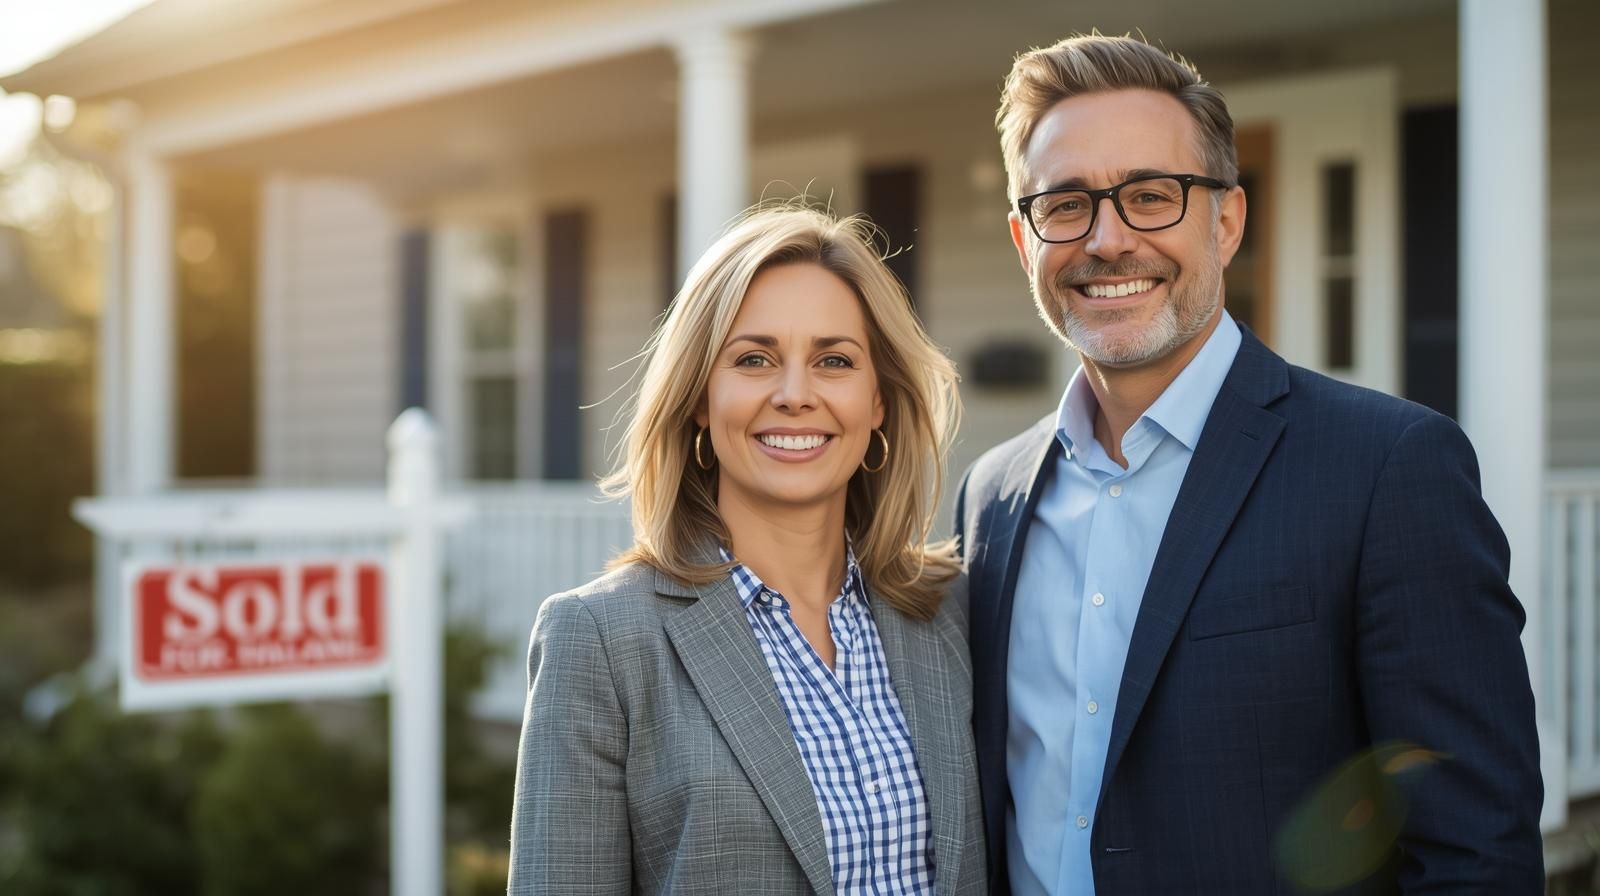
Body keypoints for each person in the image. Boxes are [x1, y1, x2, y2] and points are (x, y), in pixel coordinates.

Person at [955, 33, 1543, 895]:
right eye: (1066, 204)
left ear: (1226, 221)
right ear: (1023, 239)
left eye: (1150, 196)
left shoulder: (1388, 469)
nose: (1107, 240)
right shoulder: (992, 497)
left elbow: (1475, 848)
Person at [509, 206, 987, 895]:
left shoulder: (950, 611)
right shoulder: (602, 641)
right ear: (700, 398)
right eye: (754, 359)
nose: (794, 395)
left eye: (834, 361)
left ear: (878, 400)